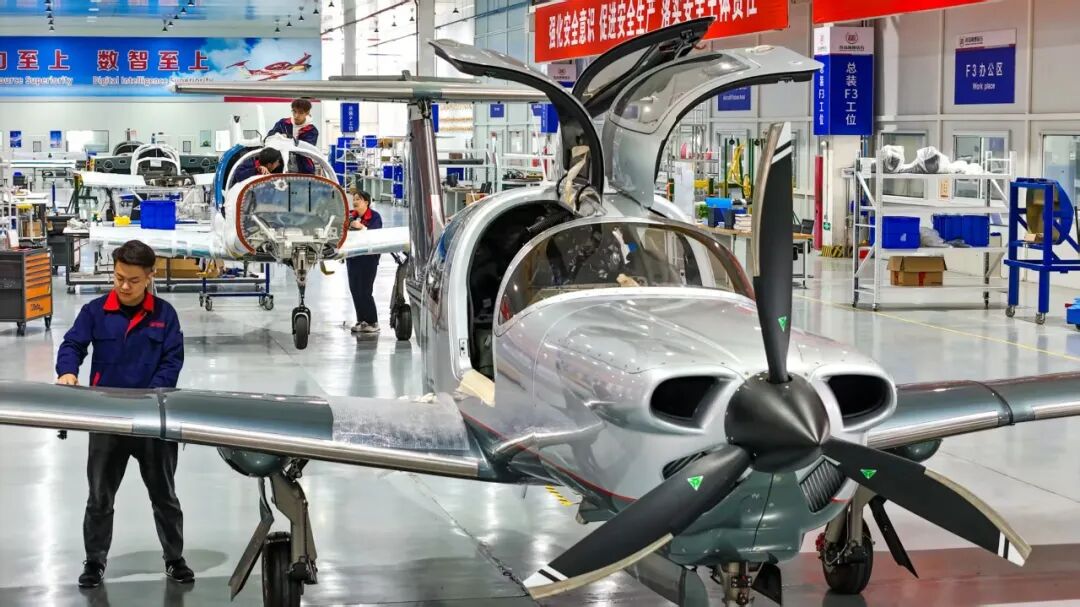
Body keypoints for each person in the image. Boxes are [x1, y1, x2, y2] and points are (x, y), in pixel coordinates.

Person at [55, 240, 193, 589]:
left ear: (149, 276)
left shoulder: (164, 315)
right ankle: (94, 562)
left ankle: (174, 558)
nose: (125, 286)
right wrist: (67, 371)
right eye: (119, 278)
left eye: (133, 280)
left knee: (164, 495)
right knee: (99, 497)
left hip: (153, 422)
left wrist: (149, 397)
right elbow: (72, 344)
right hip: (108, 419)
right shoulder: (96, 311)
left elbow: (172, 361)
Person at [347, 188, 383, 333]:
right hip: (353, 258)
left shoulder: (374, 217)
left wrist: (362, 227)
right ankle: (361, 320)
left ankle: (372, 322)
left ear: (366, 202)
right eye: (354, 199)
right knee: (355, 289)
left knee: (365, 290)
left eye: (358, 199)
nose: (355, 201)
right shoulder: (350, 216)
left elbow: (376, 235)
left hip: (368, 259)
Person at [268, 98, 318, 174]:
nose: (296, 115)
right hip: (281, 168)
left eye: (301, 113)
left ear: (307, 113)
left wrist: (288, 138)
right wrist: (277, 136)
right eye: (294, 111)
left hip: (304, 169)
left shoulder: (311, 130)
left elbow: (306, 147)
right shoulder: (282, 124)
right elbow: (270, 137)